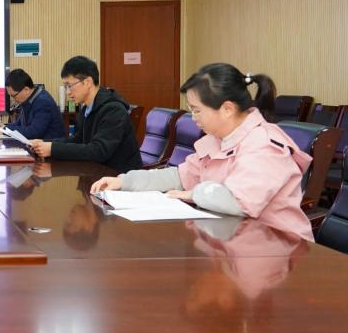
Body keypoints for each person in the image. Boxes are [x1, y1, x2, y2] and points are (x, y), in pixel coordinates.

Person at [90, 63, 313, 240]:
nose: (193, 118)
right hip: (232, 240)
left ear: (227, 109)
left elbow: (238, 202)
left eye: (197, 110)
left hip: (279, 250)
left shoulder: (264, 145)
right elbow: (179, 176)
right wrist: (124, 182)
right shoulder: (218, 139)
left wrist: (192, 194)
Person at [29, 55, 142, 173]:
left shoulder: (113, 110)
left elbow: (99, 151)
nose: (68, 92)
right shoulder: (87, 108)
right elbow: (79, 139)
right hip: (96, 173)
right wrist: (46, 144)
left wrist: (53, 149)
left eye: (70, 86)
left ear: (88, 82)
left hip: (119, 177)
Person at [0, 68, 65, 140]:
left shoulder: (43, 102)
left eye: (14, 96)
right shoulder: (27, 100)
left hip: (49, 145)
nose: (13, 99)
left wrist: (5, 130)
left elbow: (34, 132)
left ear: (26, 90)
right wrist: (3, 127)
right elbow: (19, 124)